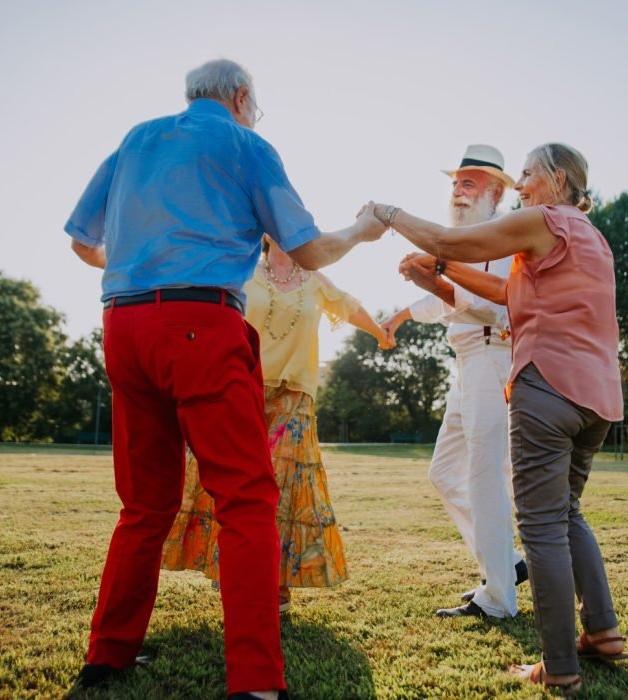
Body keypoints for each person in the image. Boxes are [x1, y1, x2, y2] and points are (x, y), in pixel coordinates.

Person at [65, 59, 386, 700]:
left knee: (145, 504)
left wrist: (134, 263)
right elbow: (308, 249)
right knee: (245, 501)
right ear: (241, 97)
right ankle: (257, 681)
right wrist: (362, 229)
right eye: (254, 106)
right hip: (199, 325)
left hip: (123, 327)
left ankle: (107, 657)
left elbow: (80, 240)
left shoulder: (135, 139)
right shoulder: (245, 143)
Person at [363, 143, 627, 695]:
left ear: (556, 179)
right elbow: (507, 291)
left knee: (542, 530)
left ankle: (557, 666)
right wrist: (438, 277)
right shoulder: (590, 236)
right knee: (568, 514)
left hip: (546, 385)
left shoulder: (540, 219)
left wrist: (389, 216)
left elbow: (445, 241)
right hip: (597, 396)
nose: (523, 185)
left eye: (527, 174)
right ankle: (602, 632)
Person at [162, 235, 393, 612]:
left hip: (294, 397)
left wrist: (381, 334)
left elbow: (348, 307)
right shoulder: (245, 272)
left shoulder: (315, 278)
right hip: (242, 389)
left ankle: (278, 584)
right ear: (266, 232)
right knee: (235, 484)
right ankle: (233, 572)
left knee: (283, 492)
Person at [381, 145, 527, 619]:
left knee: (485, 478)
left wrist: (437, 268)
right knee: (443, 474)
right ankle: (507, 565)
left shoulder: (505, 239)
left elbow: (500, 305)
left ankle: (499, 597)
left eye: (469, 183)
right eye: (455, 183)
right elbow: (451, 301)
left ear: (496, 191)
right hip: (466, 363)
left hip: (494, 357)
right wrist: (418, 287)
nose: (458, 191)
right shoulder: (463, 241)